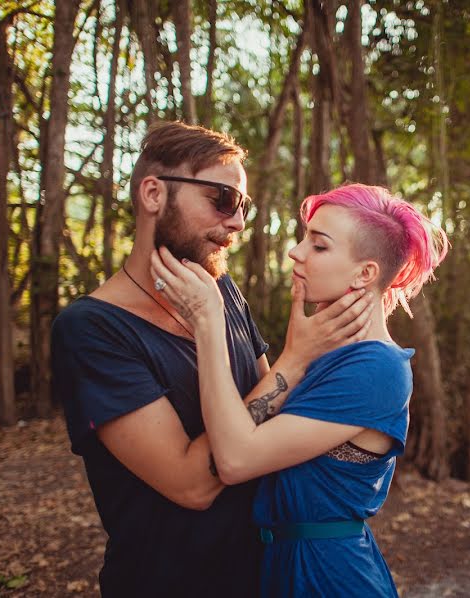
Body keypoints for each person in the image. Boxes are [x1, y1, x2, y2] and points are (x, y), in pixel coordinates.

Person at [51, 122, 375, 597]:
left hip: (266, 575)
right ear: (154, 194)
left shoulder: (219, 288)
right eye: (221, 199)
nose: (238, 222)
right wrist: (295, 359)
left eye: (244, 206)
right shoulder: (92, 330)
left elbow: (268, 422)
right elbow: (190, 485)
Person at [151, 183, 449, 597]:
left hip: (328, 577)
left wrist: (207, 321)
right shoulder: (327, 353)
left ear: (366, 274)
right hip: (284, 567)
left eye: (319, 245)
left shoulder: (376, 369)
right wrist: (297, 355)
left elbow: (236, 459)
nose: (296, 252)